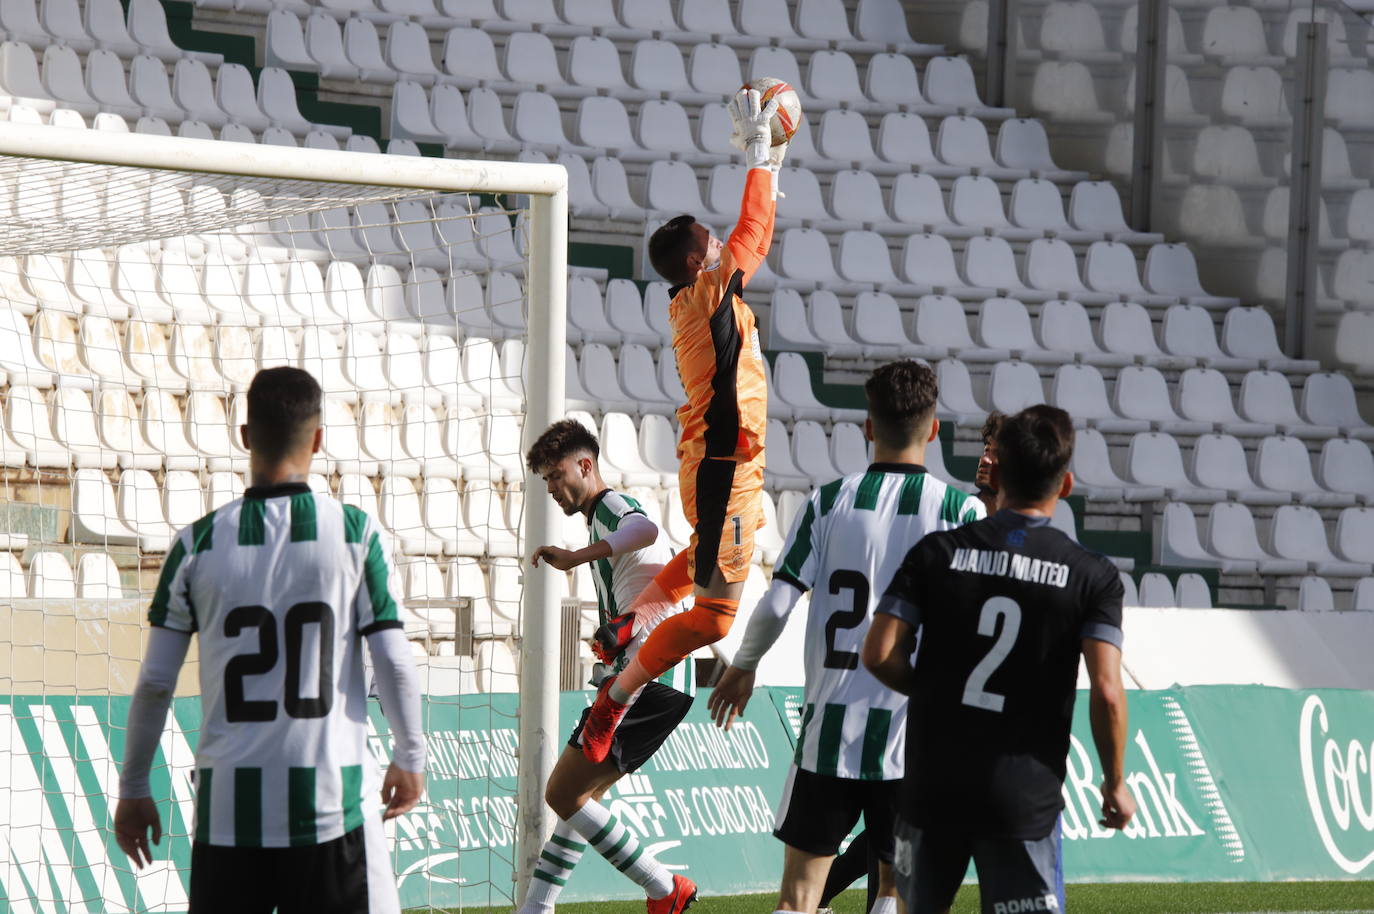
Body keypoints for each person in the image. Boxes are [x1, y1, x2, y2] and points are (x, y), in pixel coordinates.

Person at [113, 366, 426, 914]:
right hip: (329, 808)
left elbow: (158, 681)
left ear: (245, 436)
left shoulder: (196, 545)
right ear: (320, 440)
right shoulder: (355, 533)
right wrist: (409, 755)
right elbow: (394, 663)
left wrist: (135, 785)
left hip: (229, 815)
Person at [706, 361, 985, 914]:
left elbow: (779, 601)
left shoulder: (827, 501)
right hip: (911, 739)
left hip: (828, 731)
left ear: (867, 426)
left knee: (799, 896)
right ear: (933, 430)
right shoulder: (961, 512)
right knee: (895, 888)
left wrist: (742, 665)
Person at [579, 86, 788, 762]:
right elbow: (752, 234)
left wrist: (772, 162)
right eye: (710, 242)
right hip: (726, 464)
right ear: (700, 262)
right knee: (712, 619)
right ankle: (613, 704)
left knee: (706, 563)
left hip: (724, 460)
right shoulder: (706, 292)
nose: (719, 244)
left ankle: (629, 623)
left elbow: (746, 238)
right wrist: (764, 159)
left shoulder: (698, 298)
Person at [862, 405, 1135, 914]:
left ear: (999, 472)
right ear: (1067, 484)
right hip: (1023, 795)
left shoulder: (936, 553)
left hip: (931, 787)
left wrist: (933, 690)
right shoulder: (1092, 575)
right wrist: (1114, 780)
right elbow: (1107, 691)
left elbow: (878, 654)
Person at [518, 420, 698, 914]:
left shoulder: (611, 507)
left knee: (563, 793)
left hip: (646, 678)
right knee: (579, 799)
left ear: (586, 465)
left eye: (557, 475)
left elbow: (647, 528)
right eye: (546, 481)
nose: (553, 489)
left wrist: (576, 557)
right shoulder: (600, 516)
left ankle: (664, 887)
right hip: (654, 676)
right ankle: (536, 908)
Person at [974, 411, 1004, 515]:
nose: (984, 459)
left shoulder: (1026, 526)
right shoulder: (958, 512)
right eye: (986, 450)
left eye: (996, 454)